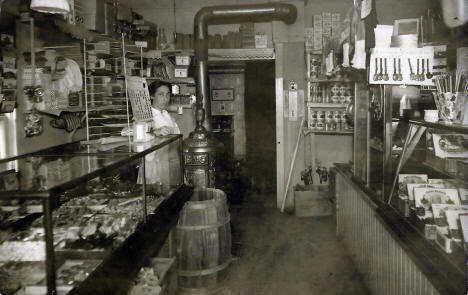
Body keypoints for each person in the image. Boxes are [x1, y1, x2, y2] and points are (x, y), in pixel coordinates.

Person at [138, 81, 181, 194]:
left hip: (169, 163)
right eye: (161, 94)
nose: (165, 98)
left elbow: (176, 137)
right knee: (156, 199)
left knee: (169, 197)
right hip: (154, 166)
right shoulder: (145, 115)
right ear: (152, 96)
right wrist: (154, 132)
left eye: (168, 94)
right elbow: (131, 134)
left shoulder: (166, 114)